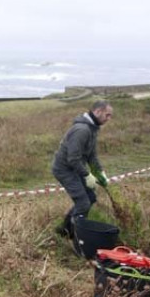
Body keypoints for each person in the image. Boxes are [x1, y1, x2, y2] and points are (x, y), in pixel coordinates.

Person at [52, 100, 113, 236]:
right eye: (107, 115)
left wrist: (99, 172)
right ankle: (74, 234)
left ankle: (65, 228)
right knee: (83, 203)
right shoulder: (82, 130)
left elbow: (91, 155)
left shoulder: (92, 129)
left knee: (90, 197)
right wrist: (86, 175)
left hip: (75, 167)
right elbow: (72, 158)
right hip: (64, 169)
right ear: (97, 112)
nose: (109, 119)